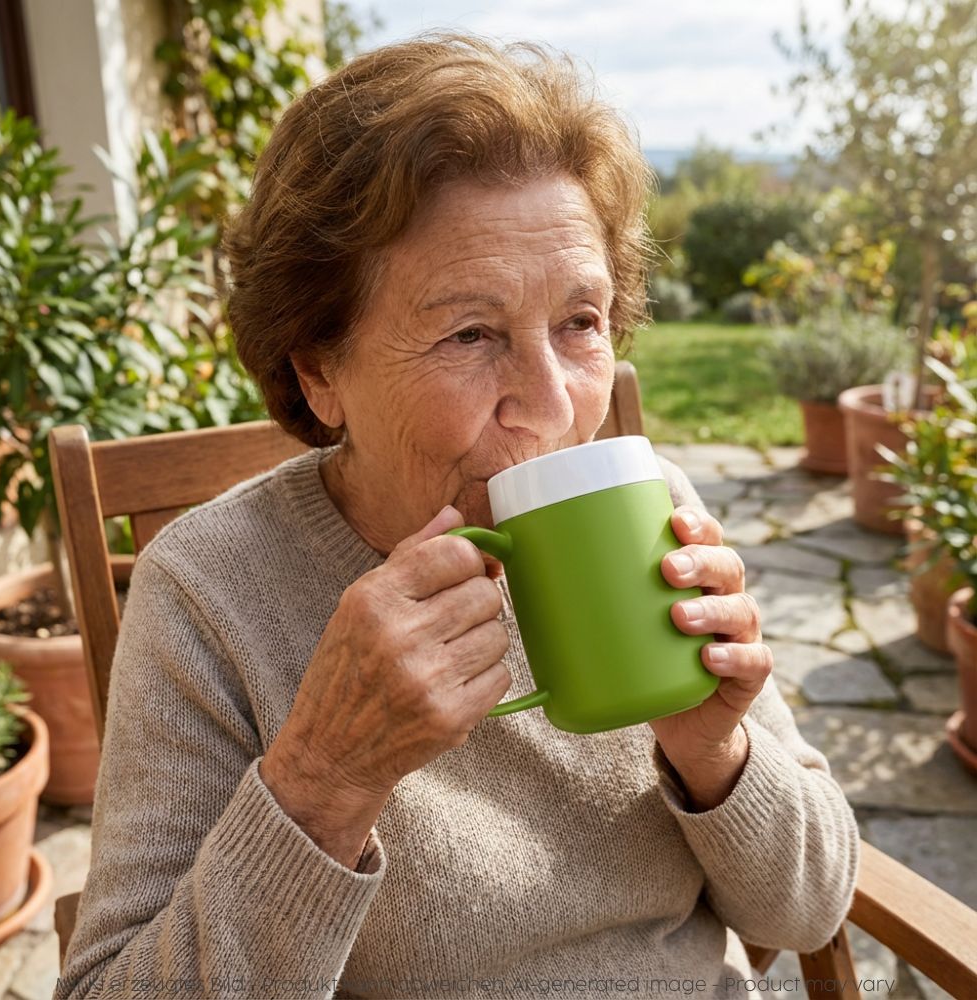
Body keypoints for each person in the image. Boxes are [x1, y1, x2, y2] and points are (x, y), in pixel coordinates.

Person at [55, 33, 858, 1000]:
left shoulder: (650, 508)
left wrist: (716, 752)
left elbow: (808, 912)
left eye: (581, 322)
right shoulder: (210, 593)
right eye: (470, 333)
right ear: (318, 371)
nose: (553, 406)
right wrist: (324, 781)